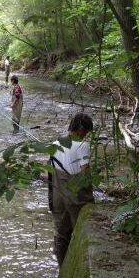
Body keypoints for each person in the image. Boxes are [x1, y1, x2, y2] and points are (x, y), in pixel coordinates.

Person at [49, 113, 94, 266]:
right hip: (76, 198)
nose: (86, 135)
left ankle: (62, 267)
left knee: (61, 234)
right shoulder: (83, 146)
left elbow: (51, 170)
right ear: (80, 129)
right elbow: (84, 173)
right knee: (81, 231)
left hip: (57, 196)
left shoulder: (55, 143)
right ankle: (80, 264)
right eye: (86, 131)